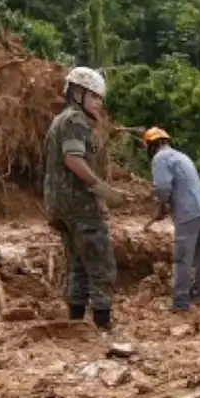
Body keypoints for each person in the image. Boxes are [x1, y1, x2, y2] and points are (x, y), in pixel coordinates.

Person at [43, 67, 128, 332]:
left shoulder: (58, 121)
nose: (99, 104)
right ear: (78, 94)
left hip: (60, 207)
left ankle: (76, 323)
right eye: (94, 97)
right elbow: (72, 159)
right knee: (100, 263)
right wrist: (102, 189)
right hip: (80, 205)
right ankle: (103, 325)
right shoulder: (76, 121)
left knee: (78, 264)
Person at [144, 127, 200, 311]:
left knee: (182, 258)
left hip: (188, 213)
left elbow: (161, 188)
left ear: (151, 146)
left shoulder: (160, 159)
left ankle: (180, 301)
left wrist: (161, 204)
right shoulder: (181, 156)